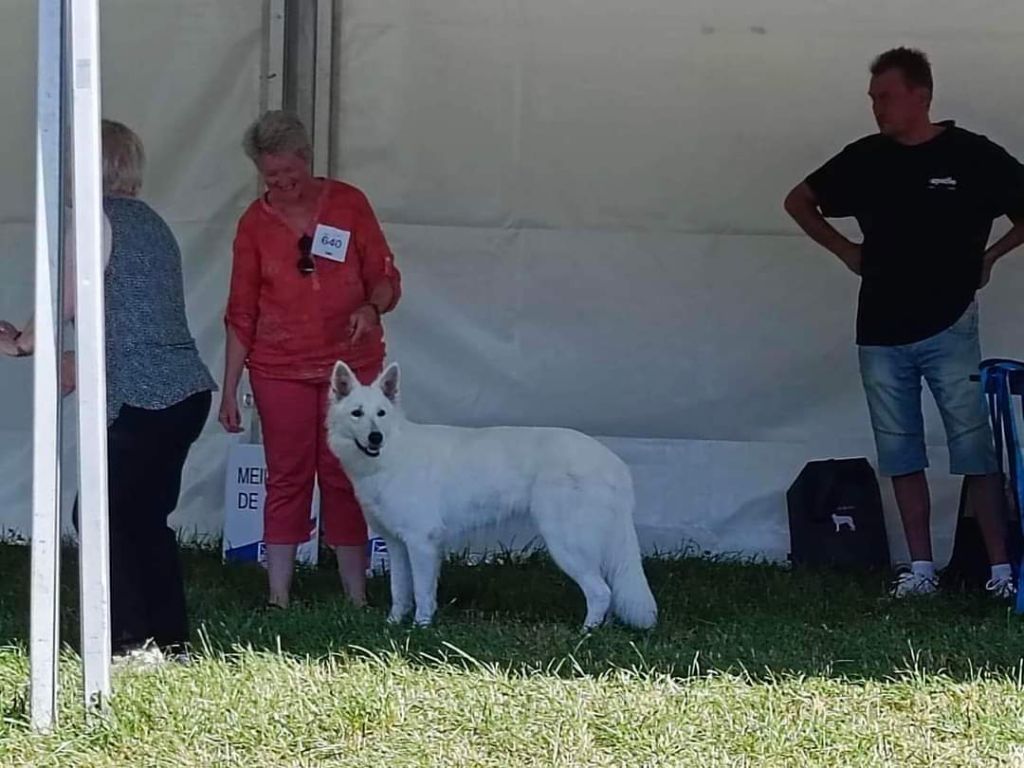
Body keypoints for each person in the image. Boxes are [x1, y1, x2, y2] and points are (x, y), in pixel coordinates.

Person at [784, 48, 1024, 598]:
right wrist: (846, 250)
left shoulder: (973, 155)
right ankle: (919, 569)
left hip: (950, 321)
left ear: (922, 95)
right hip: (881, 328)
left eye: (886, 97)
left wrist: (991, 255)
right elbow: (799, 200)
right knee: (900, 449)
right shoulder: (867, 157)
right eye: (872, 100)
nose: (877, 109)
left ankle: (1000, 571)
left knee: (974, 448)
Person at [0, 120, 217, 658]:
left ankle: (130, 641)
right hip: (185, 390)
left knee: (101, 513)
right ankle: (171, 640)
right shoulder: (152, 223)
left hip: (145, 395)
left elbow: (65, 299)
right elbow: (130, 315)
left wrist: (24, 343)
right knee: (145, 516)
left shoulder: (94, 222)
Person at [220, 110, 401, 609]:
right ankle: (278, 596)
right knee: (288, 473)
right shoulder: (254, 224)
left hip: (352, 364)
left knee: (347, 471)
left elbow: (386, 277)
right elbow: (240, 312)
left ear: (307, 158)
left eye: (288, 173)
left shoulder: (348, 204)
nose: (280, 183)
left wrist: (371, 306)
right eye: (270, 176)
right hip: (278, 367)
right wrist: (231, 387)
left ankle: (356, 595)